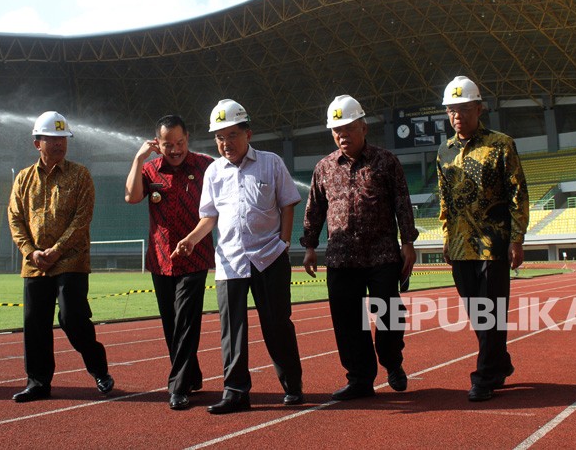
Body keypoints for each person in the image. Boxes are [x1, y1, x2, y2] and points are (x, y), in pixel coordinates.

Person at [172, 99, 303, 414]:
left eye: (231, 135)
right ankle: (235, 391)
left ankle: (293, 385)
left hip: (269, 256)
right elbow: (209, 217)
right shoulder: (214, 172)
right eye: (219, 137)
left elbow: (288, 203)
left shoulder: (271, 163)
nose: (225, 143)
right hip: (230, 261)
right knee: (231, 330)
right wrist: (190, 240)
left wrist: (284, 241)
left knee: (276, 324)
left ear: (248, 134)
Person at [301, 95, 418, 401]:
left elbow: (402, 203)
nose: (342, 134)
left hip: (381, 255)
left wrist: (408, 242)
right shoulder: (324, 168)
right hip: (340, 258)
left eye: (349, 128)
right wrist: (310, 246)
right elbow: (314, 208)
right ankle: (359, 379)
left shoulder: (386, 161)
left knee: (390, 315)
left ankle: (392, 361)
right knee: (347, 323)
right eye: (336, 129)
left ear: (364, 128)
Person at [7, 111, 114, 403]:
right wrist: (31, 252)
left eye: (63, 139)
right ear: (36, 143)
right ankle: (38, 382)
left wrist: (55, 251)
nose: (59, 144)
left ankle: (97, 365)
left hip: (71, 260)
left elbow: (82, 219)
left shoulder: (80, 175)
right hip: (35, 263)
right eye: (52, 139)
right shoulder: (24, 178)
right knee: (35, 322)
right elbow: (15, 218)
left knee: (72, 317)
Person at [436, 76, 529, 402]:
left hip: (493, 242)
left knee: (490, 310)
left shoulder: (501, 144)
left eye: (463, 109)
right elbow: (444, 197)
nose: (457, 116)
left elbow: (518, 192)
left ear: (479, 108)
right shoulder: (444, 151)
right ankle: (500, 362)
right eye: (451, 110)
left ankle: (484, 376)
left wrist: (517, 238)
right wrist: (446, 237)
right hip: (460, 245)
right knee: (477, 312)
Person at [124, 114, 215, 411]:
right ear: (157, 143)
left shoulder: (205, 166)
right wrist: (138, 159)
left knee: (187, 321)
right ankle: (193, 374)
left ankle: (177, 386)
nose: (174, 150)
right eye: (167, 144)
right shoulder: (150, 169)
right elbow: (131, 197)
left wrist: (193, 239)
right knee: (170, 323)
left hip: (195, 256)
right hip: (161, 259)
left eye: (179, 143)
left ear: (188, 138)